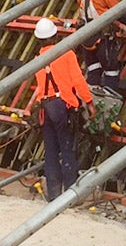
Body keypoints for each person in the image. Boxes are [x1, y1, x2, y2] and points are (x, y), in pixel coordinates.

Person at [32, 18, 93, 199]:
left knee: (50, 151)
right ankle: (70, 195)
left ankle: (54, 194)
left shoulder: (38, 59)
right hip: (61, 106)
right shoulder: (66, 54)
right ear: (56, 35)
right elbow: (78, 81)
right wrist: (89, 102)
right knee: (67, 149)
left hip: (45, 108)